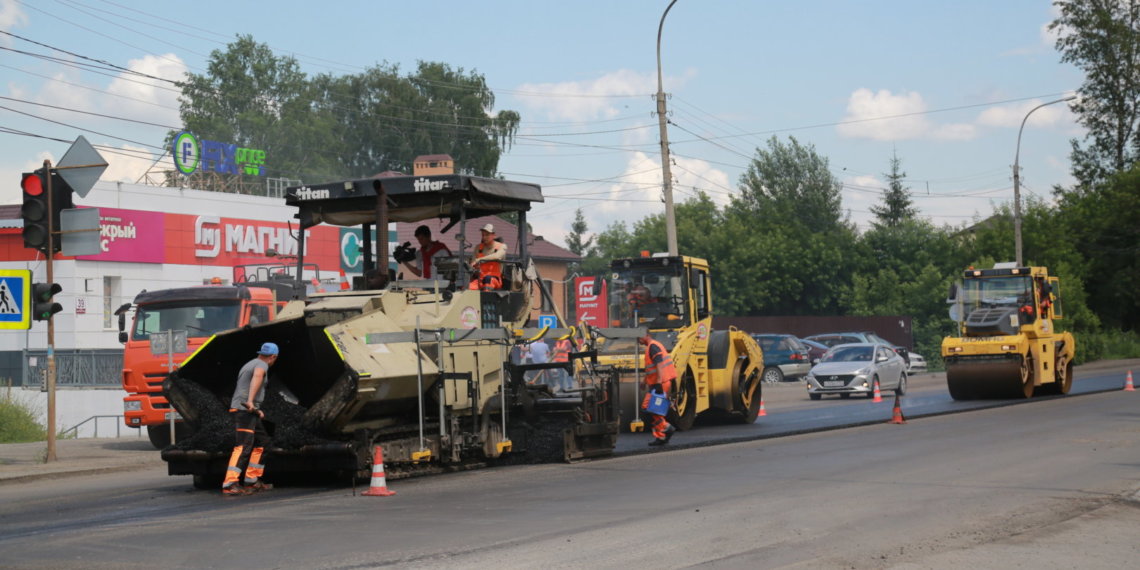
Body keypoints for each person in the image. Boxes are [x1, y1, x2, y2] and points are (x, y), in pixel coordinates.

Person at [222, 342, 278, 495]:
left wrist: (256, 410)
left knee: (263, 442)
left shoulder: (251, 363)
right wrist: (251, 402)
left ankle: (251, 481)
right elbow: (258, 377)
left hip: (248, 410)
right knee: (243, 446)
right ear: (273, 357)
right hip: (243, 409)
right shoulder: (262, 365)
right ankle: (230, 483)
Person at [639, 332, 676, 446]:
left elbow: (659, 365)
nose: (637, 340)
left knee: (649, 406)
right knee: (654, 409)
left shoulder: (653, 346)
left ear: (646, 335)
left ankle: (666, 427)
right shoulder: (651, 346)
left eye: (638, 336)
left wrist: (659, 383)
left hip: (660, 383)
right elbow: (652, 368)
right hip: (657, 383)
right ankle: (661, 436)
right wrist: (644, 381)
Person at [468, 223, 506, 290]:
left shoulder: (502, 246)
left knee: (488, 280)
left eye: (487, 235)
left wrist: (479, 260)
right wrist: (473, 267)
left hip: (494, 279)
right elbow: (473, 263)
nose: (484, 237)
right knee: (466, 288)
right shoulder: (478, 248)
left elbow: (497, 256)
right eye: (483, 235)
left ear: (494, 235)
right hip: (480, 279)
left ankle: (486, 299)